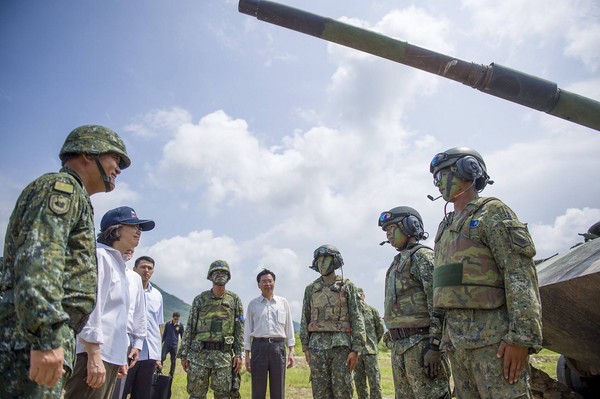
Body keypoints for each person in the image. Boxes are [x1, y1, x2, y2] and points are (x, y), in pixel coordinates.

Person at [0, 125, 130, 398]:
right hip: (30, 339)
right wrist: (46, 337)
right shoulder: (61, 190)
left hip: (46, 336)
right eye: (114, 159)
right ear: (87, 153)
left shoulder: (76, 197)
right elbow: (39, 263)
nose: (118, 168)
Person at [429, 147, 542, 398]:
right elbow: (443, 290)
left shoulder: (493, 213)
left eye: (443, 175)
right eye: (434, 178)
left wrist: (521, 339)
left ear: (468, 170)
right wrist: (436, 341)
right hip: (457, 345)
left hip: (494, 344)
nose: (437, 184)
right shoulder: (445, 228)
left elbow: (520, 276)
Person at [63, 206, 155, 399]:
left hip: (109, 356)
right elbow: (91, 309)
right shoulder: (99, 257)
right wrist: (94, 355)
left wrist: (120, 356)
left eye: (140, 227)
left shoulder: (120, 266)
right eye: (133, 226)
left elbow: (120, 317)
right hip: (92, 355)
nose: (138, 231)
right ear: (115, 229)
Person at [378, 206, 451, 398]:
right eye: (385, 231)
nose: (388, 234)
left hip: (421, 346)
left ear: (410, 226)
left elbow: (439, 303)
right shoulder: (396, 263)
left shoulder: (422, 257)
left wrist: (434, 345)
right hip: (400, 348)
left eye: (391, 228)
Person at [300, 244, 366, 399]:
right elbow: (305, 318)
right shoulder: (311, 289)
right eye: (319, 260)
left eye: (326, 259)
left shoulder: (347, 286)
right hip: (316, 347)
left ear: (336, 261)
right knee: (320, 392)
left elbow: (357, 318)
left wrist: (356, 349)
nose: (321, 263)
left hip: (341, 347)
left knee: (342, 391)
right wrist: (305, 347)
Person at [178, 260, 244, 399]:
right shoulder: (200, 300)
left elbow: (239, 328)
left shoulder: (234, 300)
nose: (221, 275)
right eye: (217, 272)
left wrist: (238, 354)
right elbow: (190, 326)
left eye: (224, 272)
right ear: (210, 276)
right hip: (199, 356)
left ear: (229, 276)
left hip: (223, 357)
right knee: (196, 395)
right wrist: (184, 354)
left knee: (223, 396)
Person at [244, 268, 296, 399]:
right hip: (259, 347)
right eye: (264, 281)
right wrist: (247, 355)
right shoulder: (253, 304)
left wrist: (291, 351)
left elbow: (289, 327)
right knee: (258, 389)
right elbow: (247, 330)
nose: (267, 284)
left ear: (274, 282)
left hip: (278, 348)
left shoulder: (283, 303)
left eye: (270, 281)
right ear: (259, 285)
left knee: (278, 389)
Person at [122, 256, 164, 398]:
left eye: (149, 268)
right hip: (129, 350)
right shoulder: (127, 289)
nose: (146, 270)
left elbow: (158, 325)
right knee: (121, 391)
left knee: (142, 394)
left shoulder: (157, 295)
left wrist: (158, 356)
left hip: (150, 354)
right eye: (143, 267)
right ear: (134, 269)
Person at [112, 250, 147, 399]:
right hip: (97, 339)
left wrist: (138, 344)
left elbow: (139, 313)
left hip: (124, 342)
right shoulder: (99, 262)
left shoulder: (134, 279)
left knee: (117, 392)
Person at [352, 288, 384, 399]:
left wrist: (373, 343)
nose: (358, 298)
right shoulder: (352, 313)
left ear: (364, 296)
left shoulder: (372, 311)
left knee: (375, 382)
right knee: (359, 383)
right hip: (357, 353)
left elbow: (380, 329)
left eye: (360, 296)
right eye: (356, 297)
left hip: (371, 352)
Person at [162, 312, 185, 376]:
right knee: (162, 358)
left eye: (177, 319)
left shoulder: (180, 325)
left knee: (173, 361)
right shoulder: (168, 324)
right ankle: (158, 370)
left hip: (174, 346)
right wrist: (160, 342)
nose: (176, 321)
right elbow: (164, 334)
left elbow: (182, 336)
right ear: (172, 318)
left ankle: (171, 374)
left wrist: (183, 346)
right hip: (166, 344)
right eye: (175, 319)